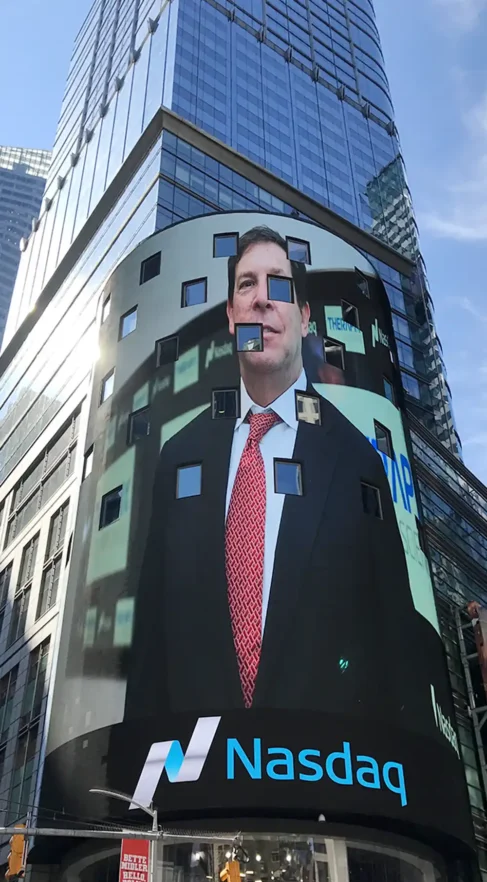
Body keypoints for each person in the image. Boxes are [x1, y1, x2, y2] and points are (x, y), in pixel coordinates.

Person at [125, 226, 425, 723]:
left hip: (328, 780)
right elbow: (151, 650)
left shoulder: (358, 460)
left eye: (279, 285)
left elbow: (395, 646)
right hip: (195, 783)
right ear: (230, 317)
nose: (262, 300)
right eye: (246, 285)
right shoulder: (179, 457)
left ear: (305, 319)